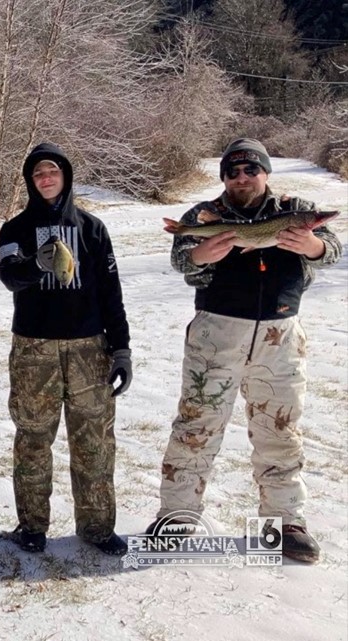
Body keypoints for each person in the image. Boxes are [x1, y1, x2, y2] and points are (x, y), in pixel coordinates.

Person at [147, 138, 342, 564]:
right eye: (232, 172)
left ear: (265, 173)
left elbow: (333, 248)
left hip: (280, 336)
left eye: (250, 170)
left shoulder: (295, 208)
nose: (241, 178)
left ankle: (285, 521)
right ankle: (178, 516)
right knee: (196, 426)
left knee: (281, 429)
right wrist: (199, 254)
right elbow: (181, 260)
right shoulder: (203, 215)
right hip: (216, 333)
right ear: (224, 178)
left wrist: (313, 246)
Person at [0, 142, 132, 556]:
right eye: (37, 174)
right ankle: (32, 525)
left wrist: (121, 348)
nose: (45, 179)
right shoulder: (14, 229)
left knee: (94, 441)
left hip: (89, 349)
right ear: (30, 182)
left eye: (52, 171)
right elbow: (8, 275)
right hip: (34, 349)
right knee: (34, 439)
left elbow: (111, 293)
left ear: (66, 176)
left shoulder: (93, 229)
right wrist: (38, 264)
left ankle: (96, 526)